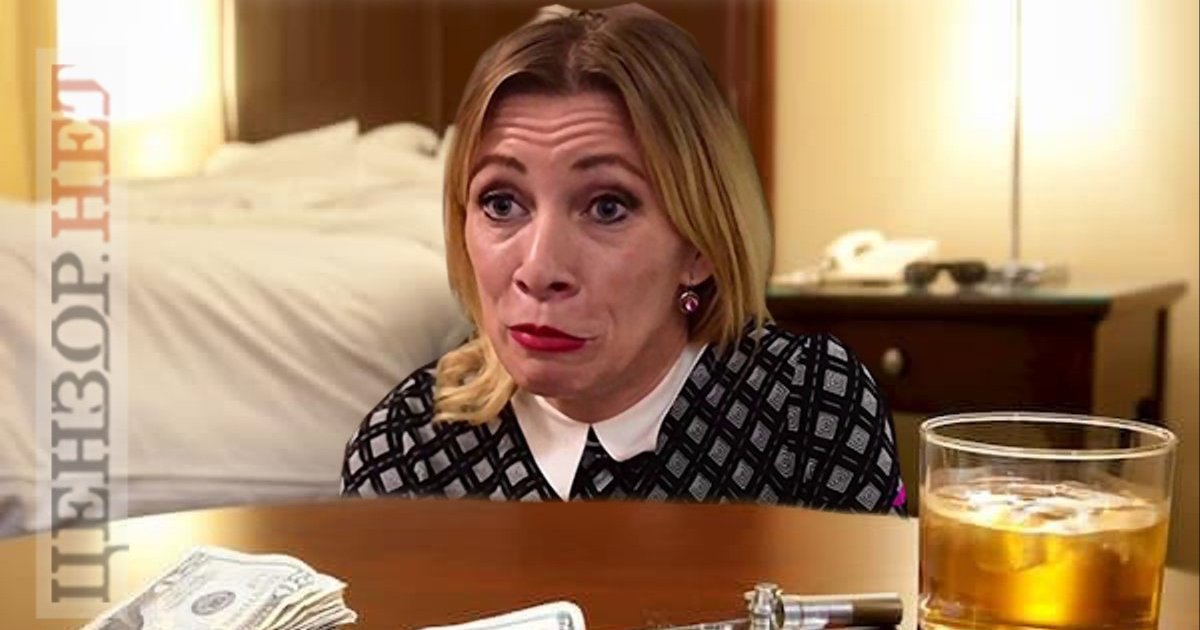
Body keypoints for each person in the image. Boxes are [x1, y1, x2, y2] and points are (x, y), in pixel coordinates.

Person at [341, 4, 906, 515]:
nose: (538, 270)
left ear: (700, 246)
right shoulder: (407, 451)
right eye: (501, 203)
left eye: (607, 207)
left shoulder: (808, 404)